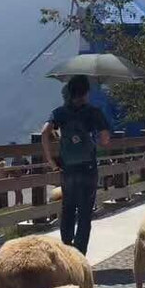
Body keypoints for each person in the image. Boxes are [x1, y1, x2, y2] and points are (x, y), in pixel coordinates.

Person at [41, 75, 111, 255]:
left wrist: (51, 161)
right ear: (86, 92)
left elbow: (44, 132)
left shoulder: (59, 112)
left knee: (68, 208)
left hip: (68, 168)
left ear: (69, 92)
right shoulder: (93, 112)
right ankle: (79, 255)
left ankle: (65, 249)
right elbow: (104, 140)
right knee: (85, 212)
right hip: (88, 168)